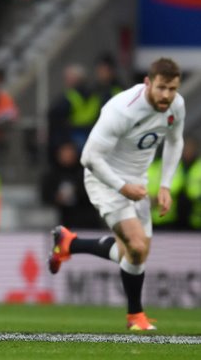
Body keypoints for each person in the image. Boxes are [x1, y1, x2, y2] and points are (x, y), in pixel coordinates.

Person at [48, 58, 185, 331]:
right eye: (161, 88)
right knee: (136, 246)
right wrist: (123, 187)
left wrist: (166, 185)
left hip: (137, 182)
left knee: (134, 253)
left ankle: (69, 244)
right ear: (148, 82)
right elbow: (89, 157)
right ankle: (135, 316)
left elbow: (174, 140)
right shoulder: (122, 110)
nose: (167, 95)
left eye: (172, 89)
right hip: (105, 178)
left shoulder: (176, 105)